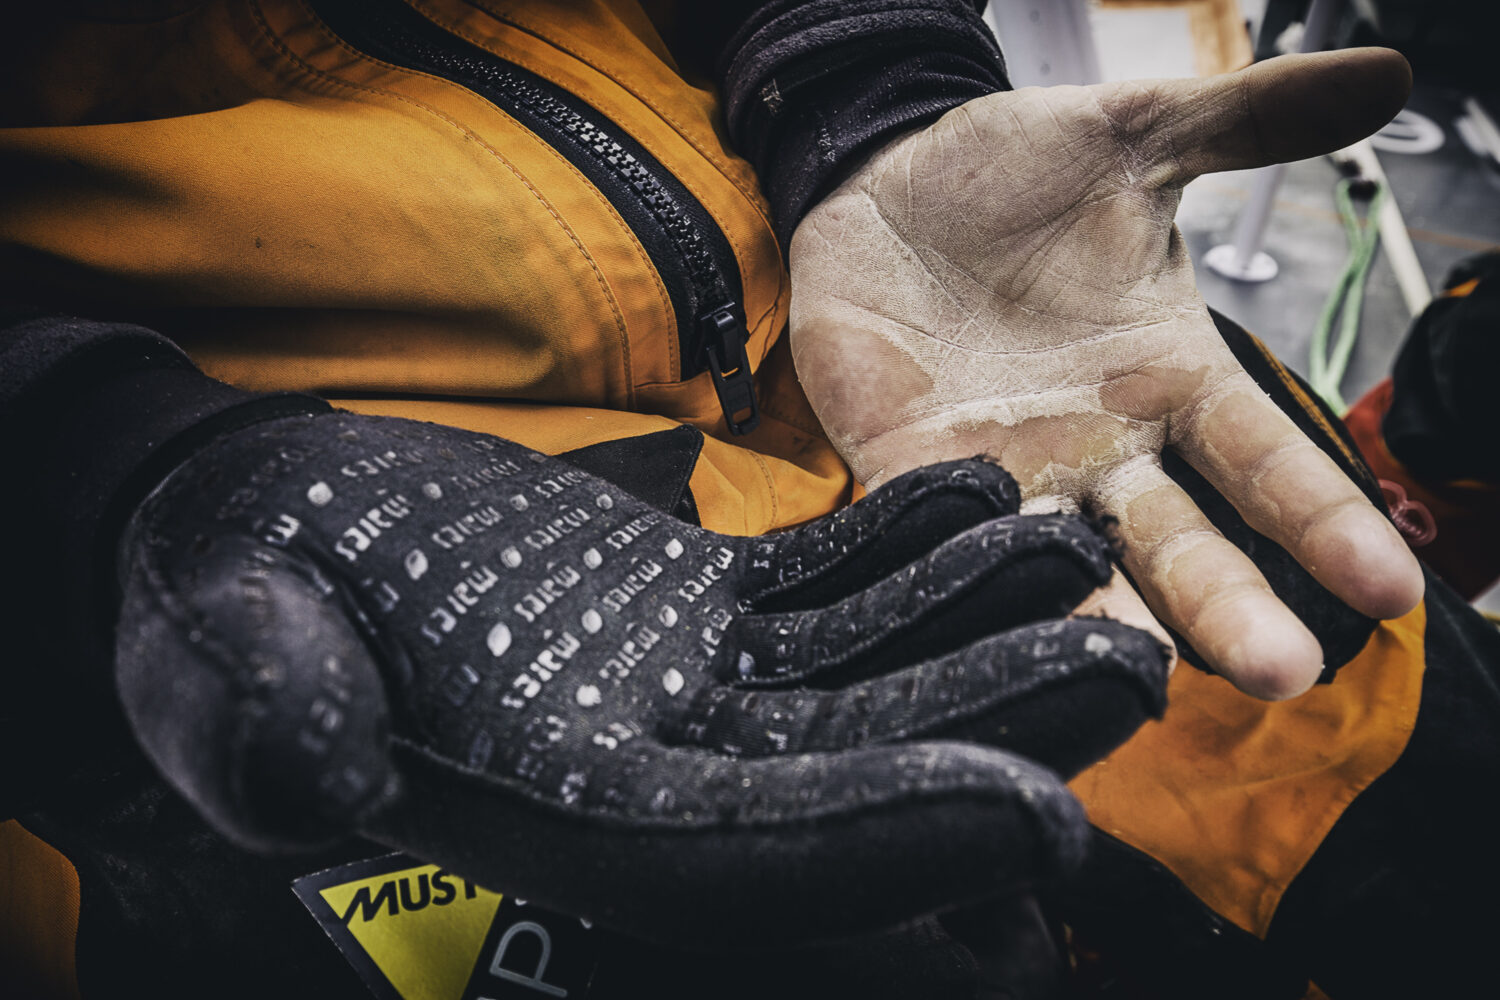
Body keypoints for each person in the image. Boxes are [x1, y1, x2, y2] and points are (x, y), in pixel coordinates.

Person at [0, 2, 1494, 998]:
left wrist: (872, 73)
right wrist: (93, 466)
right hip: (369, 560)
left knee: (1428, 824)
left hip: (982, 336)